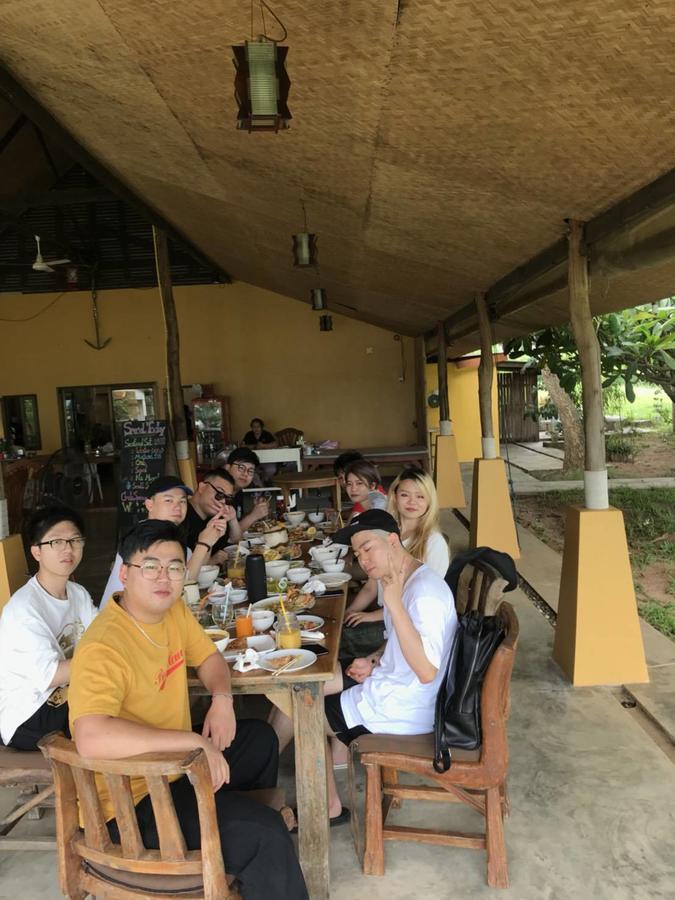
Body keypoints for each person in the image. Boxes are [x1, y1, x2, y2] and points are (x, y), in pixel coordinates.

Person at [69, 520, 308, 900]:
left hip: (176, 771)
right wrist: (195, 741)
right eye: (150, 566)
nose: (163, 577)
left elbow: (210, 658)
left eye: (175, 566)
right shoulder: (104, 644)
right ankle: (252, 841)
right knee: (266, 833)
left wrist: (222, 700)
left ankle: (236, 857)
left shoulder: (171, 612)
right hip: (131, 802)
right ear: (124, 573)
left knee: (258, 738)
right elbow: (91, 737)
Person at [269, 510, 457, 824]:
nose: (363, 560)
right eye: (358, 553)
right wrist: (374, 660)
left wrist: (394, 604)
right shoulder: (406, 577)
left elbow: (426, 671)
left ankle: (322, 806)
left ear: (393, 541)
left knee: (299, 709)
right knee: (291, 687)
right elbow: (403, 640)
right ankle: (253, 777)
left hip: (401, 707)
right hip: (388, 682)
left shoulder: (423, 594)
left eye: (368, 548)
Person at [0, 505, 97, 750]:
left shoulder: (77, 593)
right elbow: (52, 675)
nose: (68, 548)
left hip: (67, 692)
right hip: (29, 713)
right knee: (112, 709)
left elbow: (103, 635)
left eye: (75, 540)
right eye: (56, 542)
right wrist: (108, 658)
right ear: (36, 552)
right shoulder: (24, 608)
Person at [343, 467, 450, 646]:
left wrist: (371, 616)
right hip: (381, 611)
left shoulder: (433, 542)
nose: (412, 502)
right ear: (394, 496)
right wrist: (348, 612)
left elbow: (425, 603)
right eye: (405, 495)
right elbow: (371, 587)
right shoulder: (386, 533)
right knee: (336, 630)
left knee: (339, 642)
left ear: (430, 501)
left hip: (405, 624)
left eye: (420, 496)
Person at [101, 475, 231, 607]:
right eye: (169, 500)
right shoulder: (144, 538)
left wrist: (210, 539)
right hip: (123, 622)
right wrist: (204, 543)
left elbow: (192, 572)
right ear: (149, 504)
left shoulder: (172, 539)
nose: (177, 507)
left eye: (182, 501)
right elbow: (184, 585)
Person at [183, 468, 240, 561]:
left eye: (227, 499)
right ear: (202, 487)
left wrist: (232, 519)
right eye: (219, 494)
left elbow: (235, 540)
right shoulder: (181, 516)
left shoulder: (216, 516)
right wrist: (211, 562)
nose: (222, 501)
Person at [225, 448, 270, 531]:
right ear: (227, 468)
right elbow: (229, 537)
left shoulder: (238, 492)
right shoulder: (219, 494)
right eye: (241, 468)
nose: (245, 474)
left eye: (250, 471)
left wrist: (255, 511)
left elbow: (236, 523)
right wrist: (253, 516)